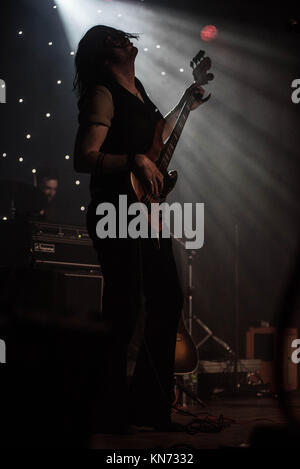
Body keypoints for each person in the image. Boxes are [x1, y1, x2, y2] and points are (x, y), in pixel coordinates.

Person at [73, 25, 205, 434]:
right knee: (124, 309)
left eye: (126, 37)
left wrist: (187, 99)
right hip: (115, 210)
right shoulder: (102, 93)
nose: (129, 41)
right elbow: (84, 157)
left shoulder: (139, 89)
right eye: (118, 38)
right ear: (106, 52)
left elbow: (154, 140)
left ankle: (149, 407)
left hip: (142, 212)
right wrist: (132, 161)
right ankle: (106, 408)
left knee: (166, 303)